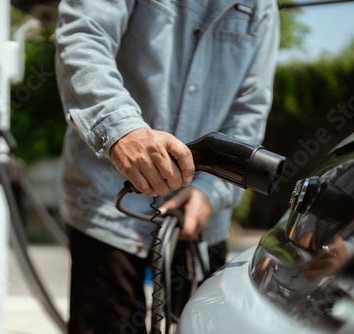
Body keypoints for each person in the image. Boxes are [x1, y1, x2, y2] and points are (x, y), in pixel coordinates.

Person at [54, 0, 280, 333]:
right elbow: (84, 35)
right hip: (109, 206)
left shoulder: (261, 7)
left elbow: (250, 107)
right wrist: (121, 129)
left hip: (202, 222)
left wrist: (210, 191)